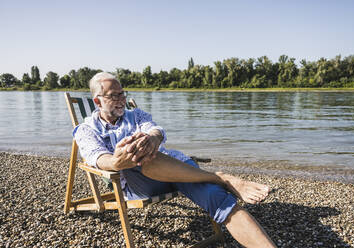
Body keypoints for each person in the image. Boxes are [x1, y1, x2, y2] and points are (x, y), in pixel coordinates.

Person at [73, 72, 276, 248]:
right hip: (141, 183)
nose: (121, 99)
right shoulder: (86, 130)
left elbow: (155, 129)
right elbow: (98, 158)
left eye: (122, 93)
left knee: (218, 198)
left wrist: (152, 139)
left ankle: (218, 183)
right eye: (113, 96)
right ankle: (219, 177)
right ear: (97, 101)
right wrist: (118, 161)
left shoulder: (136, 115)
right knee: (146, 159)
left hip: (175, 168)